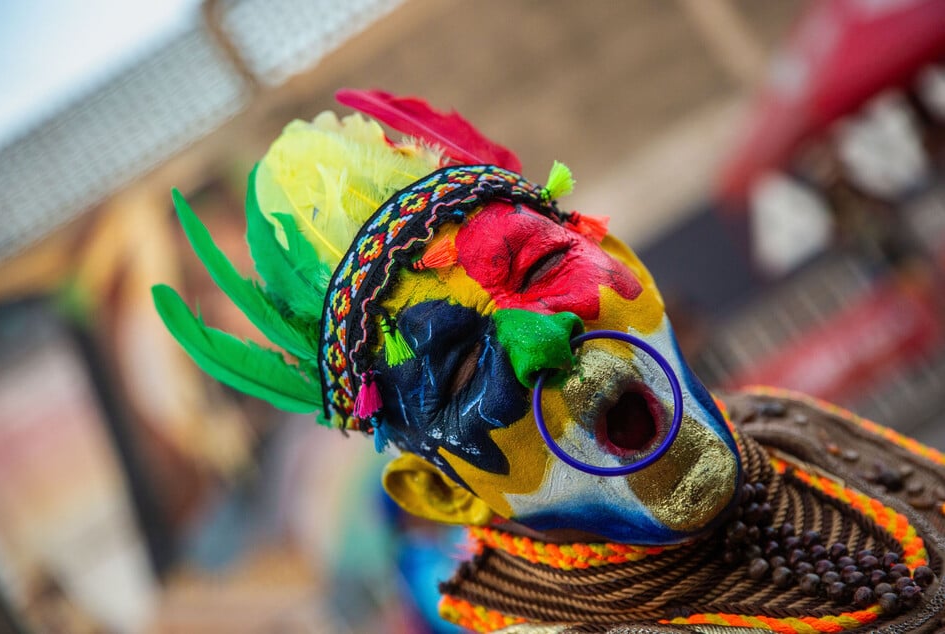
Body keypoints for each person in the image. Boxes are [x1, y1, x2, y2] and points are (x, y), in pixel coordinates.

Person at [154, 91, 945, 632]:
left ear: (625, 264)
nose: (542, 340)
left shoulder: (786, 424)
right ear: (442, 492)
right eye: (462, 373)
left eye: (538, 268)